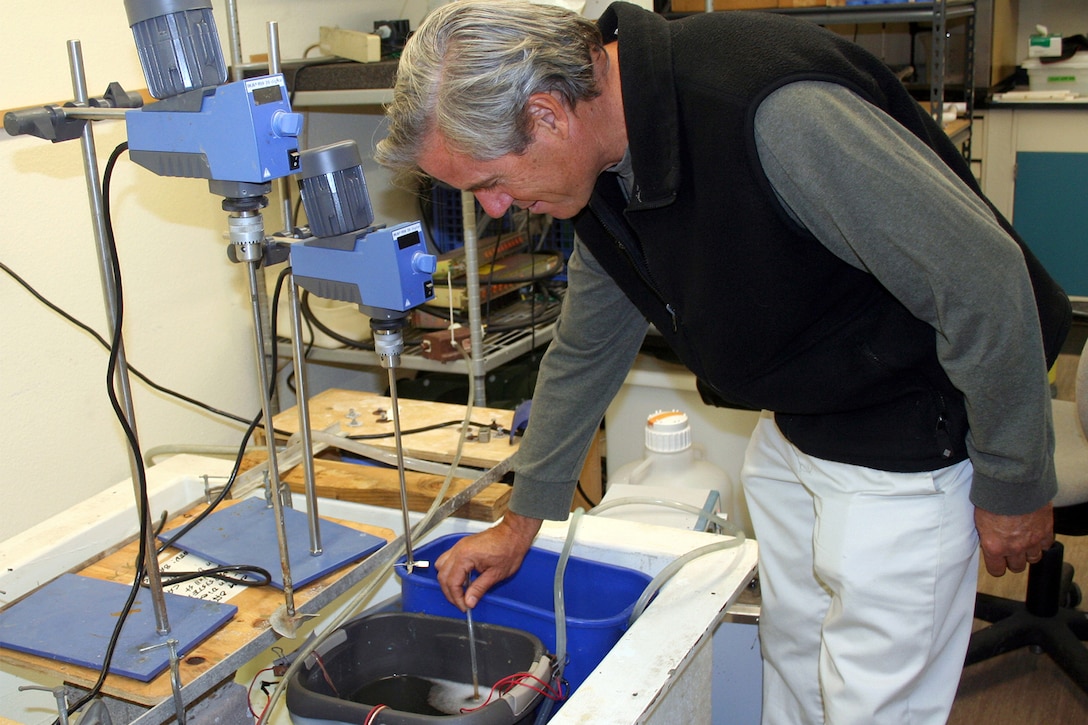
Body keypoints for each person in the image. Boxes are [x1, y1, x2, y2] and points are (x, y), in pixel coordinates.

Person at [375, 2, 1072, 722]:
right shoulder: (604, 157)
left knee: (873, 704)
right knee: (796, 670)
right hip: (804, 417)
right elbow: (586, 344)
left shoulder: (769, 114)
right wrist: (523, 517)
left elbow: (984, 280)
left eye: (488, 179)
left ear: (548, 115)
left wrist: (1014, 476)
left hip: (915, 424)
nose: (493, 208)